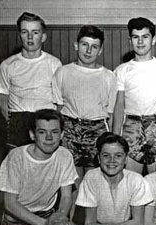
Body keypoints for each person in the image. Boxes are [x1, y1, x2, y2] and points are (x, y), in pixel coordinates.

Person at [112, 17, 156, 175]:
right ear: (130, 40)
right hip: (131, 125)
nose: (140, 41)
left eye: (145, 37)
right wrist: (116, 138)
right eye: (136, 37)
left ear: (153, 39)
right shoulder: (122, 70)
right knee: (130, 178)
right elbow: (119, 106)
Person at [52, 25, 117, 186]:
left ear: (100, 50)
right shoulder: (62, 72)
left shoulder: (108, 76)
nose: (88, 51)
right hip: (69, 129)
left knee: (95, 183)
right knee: (71, 183)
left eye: (94, 47)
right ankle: (71, 212)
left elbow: (112, 114)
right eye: (84, 45)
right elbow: (57, 109)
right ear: (76, 45)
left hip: (97, 131)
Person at [0, 12, 62, 149]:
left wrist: (52, 123)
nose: (30, 37)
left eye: (35, 32)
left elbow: (60, 101)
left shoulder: (54, 64)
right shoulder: (8, 65)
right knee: (18, 166)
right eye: (25, 32)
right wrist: (14, 123)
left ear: (43, 37)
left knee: (46, 166)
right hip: (18, 121)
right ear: (19, 35)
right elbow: (3, 101)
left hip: (46, 120)